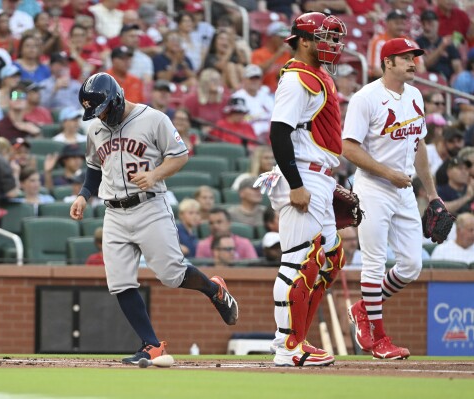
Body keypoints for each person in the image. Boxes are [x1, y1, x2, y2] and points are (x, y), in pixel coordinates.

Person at [70, 72, 238, 364]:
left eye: (104, 108)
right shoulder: (95, 129)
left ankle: (214, 289)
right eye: (96, 112)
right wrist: (84, 194)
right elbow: (94, 167)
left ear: (117, 98)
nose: (102, 116)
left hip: (150, 207)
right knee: (120, 282)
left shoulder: (154, 119)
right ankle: (151, 344)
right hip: (114, 212)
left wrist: (155, 174)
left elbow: (180, 155)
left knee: (172, 276)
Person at [342, 38, 441, 360]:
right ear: (388, 62)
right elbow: (349, 148)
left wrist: (433, 193)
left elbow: (419, 147)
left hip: (404, 189)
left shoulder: (415, 96)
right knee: (373, 262)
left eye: (415, 57)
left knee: (412, 265)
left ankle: (363, 308)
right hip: (373, 187)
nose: (414, 62)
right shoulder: (366, 97)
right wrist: (388, 174)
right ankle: (379, 337)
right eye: (406, 58)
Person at [261, 12, 347, 367]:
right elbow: (278, 132)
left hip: (320, 175)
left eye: (334, 38)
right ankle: (287, 347)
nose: (332, 45)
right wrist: (296, 184)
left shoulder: (318, 75)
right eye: (324, 37)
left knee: (330, 257)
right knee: (299, 259)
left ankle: (294, 337)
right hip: (303, 176)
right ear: (303, 40)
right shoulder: (298, 78)